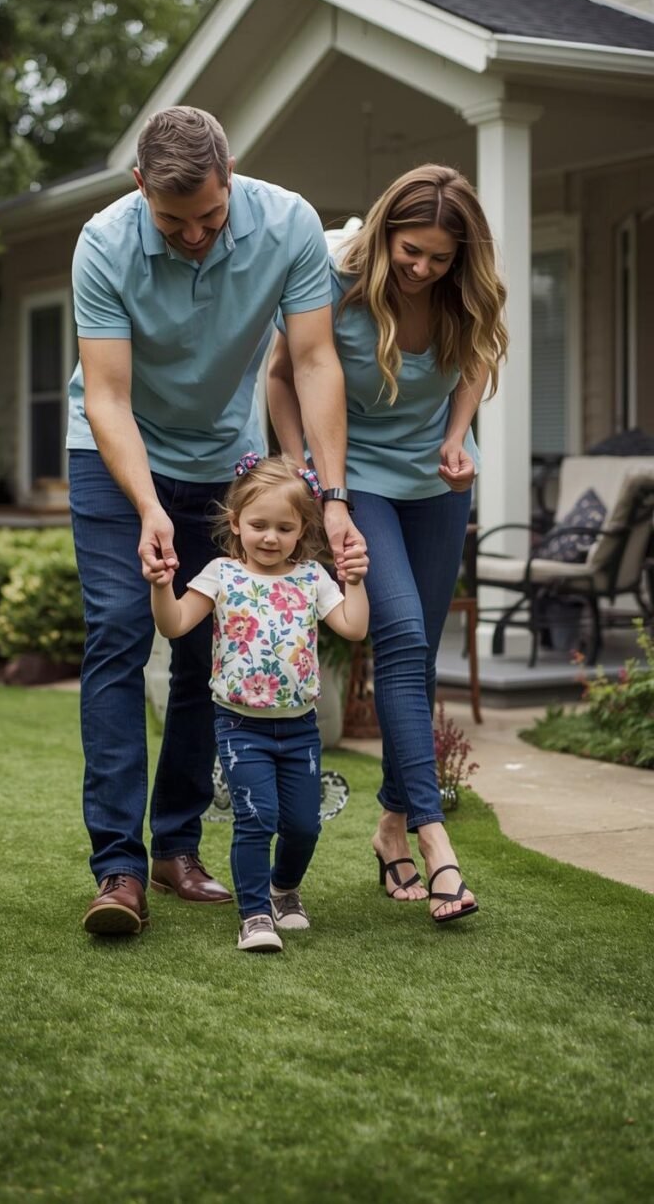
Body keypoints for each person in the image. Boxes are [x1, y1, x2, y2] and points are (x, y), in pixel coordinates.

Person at [68, 105, 365, 936]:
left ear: (230, 176)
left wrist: (333, 494)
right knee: (120, 631)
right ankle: (118, 867)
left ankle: (176, 845)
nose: (195, 235)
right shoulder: (104, 242)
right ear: (140, 187)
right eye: (174, 222)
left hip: (221, 459)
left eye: (209, 215)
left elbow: (314, 360)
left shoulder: (289, 223)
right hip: (113, 452)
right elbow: (107, 396)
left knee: (210, 650)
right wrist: (147, 505)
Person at [267, 165, 508, 924]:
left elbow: (477, 355)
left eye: (439, 257)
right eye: (411, 251)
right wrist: (305, 470)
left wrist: (457, 435)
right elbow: (283, 375)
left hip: (437, 484)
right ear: (384, 233)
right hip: (355, 476)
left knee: (420, 651)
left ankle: (391, 827)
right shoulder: (333, 272)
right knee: (399, 636)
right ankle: (436, 841)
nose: (422, 268)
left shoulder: (464, 288)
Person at [147, 453, 369, 952]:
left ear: (303, 529)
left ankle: (283, 889)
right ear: (236, 522)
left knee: (303, 825)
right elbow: (174, 624)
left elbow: (354, 627)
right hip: (239, 727)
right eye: (259, 525)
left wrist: (353, 581)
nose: (270, 537)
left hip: (300, 728)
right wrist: (162, 587)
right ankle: (254, 915)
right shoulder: (221, 574)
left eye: (284, 528)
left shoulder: (312, 578)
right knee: (257, 818)